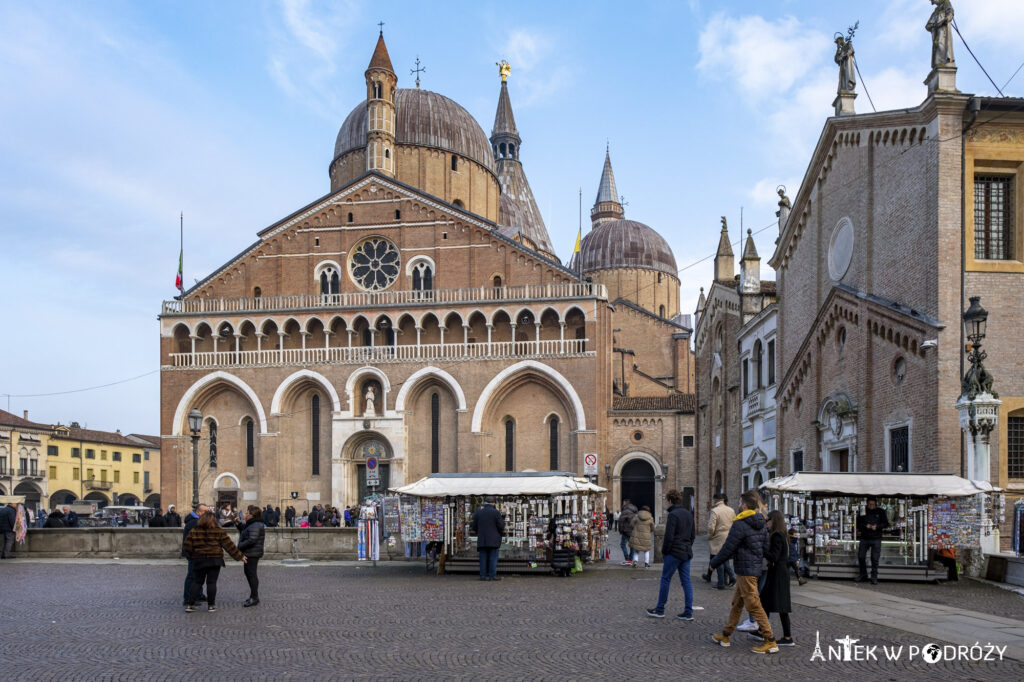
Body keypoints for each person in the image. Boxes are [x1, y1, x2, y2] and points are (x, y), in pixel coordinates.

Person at [710, 490, 777, 654]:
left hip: (746, 570)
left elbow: (728, 548)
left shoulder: (740, 524)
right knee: (737, 603)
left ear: (745, 505)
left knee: (753, 605)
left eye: (740, 502)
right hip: (752, 568)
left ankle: (770, 640)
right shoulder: (761, 523)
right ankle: (726, 634)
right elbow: (766, 548)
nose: (738, 505)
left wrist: (714, 563)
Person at [181, 510, 246, 612]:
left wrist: (194, 555)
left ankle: (190, 605)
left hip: (199, 559)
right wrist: (240, 556)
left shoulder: (194, 531)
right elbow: (229, 545)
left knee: (197, 582)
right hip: (215, 560)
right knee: (211, 583)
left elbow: (187, 546)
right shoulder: (218, 531)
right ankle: (211, 605)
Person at [646, 490, 695, 620]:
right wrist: (688, 545)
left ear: (670, 501)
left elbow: (669, 536)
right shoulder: (688, 514)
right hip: (686, 551)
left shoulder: (673, 515)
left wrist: (665, 551)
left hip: (674, 552)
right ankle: (688, 611)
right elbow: (692, 535)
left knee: (666, 579)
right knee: (686, 582)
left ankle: (660, 609)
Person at [752, 510, 795, 647]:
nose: (766, 523)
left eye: (768, 520)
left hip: (778, 573)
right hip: (779, 572)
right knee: (766, 600)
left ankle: (787, 637)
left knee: (779, 605)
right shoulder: (783, 534)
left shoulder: (776, 536)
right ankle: (762, 629)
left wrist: (763, 550)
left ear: (773, 521)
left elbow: (774, 556)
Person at [703, 493, 737, 589]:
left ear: (716, 500)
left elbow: (711, 527)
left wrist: (710, 536)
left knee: (718, 559)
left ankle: (721, 582)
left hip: (718, 537)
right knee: (724, 558)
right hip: (728, 535)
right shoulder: (731, 510)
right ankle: (730, 577)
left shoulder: (715, 511)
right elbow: (735, 523)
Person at [470, 495, 505, 581]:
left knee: (483, 558)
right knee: (493, 558)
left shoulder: (478, 512)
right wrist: (499, 533)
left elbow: (474, 526)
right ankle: (492, 576)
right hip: (494, 539)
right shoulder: (496, 512)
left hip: (482, 538)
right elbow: (501, 526)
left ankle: (482, 576)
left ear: (484, 503)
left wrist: (480, 533)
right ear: (493, 503)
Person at [236, 505, 266, 607]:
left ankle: (254, 597)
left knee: (251, 574)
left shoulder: (256, 524)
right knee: (249, 573)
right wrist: (239, 524)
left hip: (252, 553)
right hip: (250, 552)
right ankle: (253, 596)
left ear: (252, 514)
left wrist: (240, 546)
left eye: (247, 512)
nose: (245, 514)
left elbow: (252, 539)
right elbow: (246, 532)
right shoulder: (252, 524)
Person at [856, 496, 889, 585]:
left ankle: (874, 577)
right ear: (867, 504)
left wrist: (877, 527)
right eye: (870, 504)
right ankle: (863, 574)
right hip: (864, 537)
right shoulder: (863, 512)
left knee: (875, 559)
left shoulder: (881, 511)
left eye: (873, 504)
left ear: (875, 504)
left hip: (876, 537)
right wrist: (865, 526)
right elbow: (858, 524)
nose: (871, 506)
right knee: (861, 556)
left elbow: (886, 524)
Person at [182, 503, 210, 606]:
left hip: (196, 553)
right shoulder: (195, 523)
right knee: (192, 576)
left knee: (198, 575)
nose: (208, 513)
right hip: (193, 553)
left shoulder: (196, 521)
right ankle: (188, 598)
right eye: (205, 512)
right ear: (198, 512)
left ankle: (198, 594)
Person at [618, 499, 638, 566]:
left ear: (625, 503)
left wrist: (620, 530)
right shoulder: (635, 510)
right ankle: (630, 559)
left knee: (622, 544)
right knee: (632, 545)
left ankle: (627, 558)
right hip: (633, 530)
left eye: (623, 503)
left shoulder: (625, 510)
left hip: (626, 531)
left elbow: (621, 521)